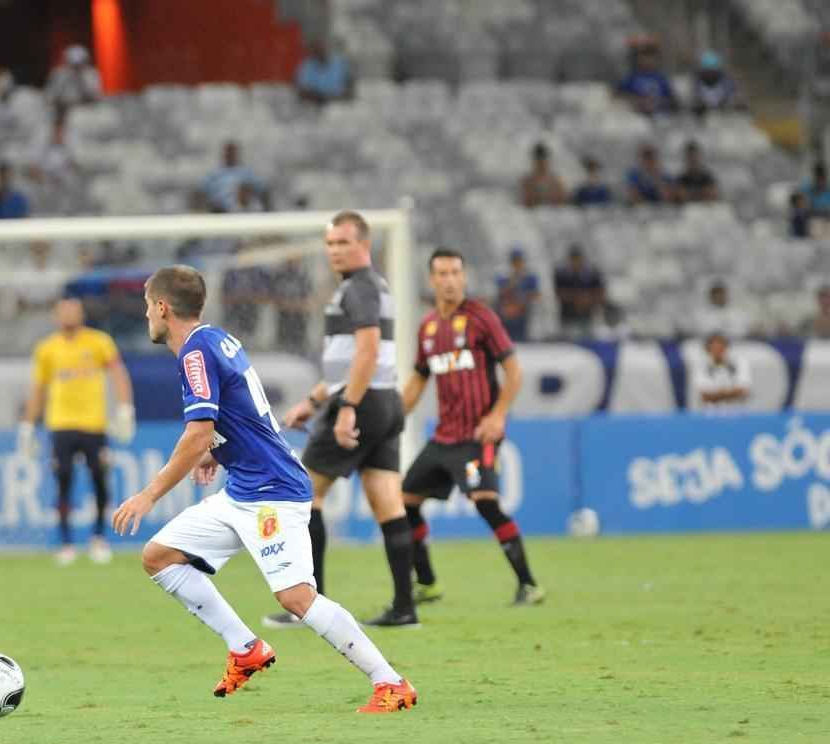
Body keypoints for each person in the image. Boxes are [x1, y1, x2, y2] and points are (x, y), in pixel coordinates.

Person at [112, 265, 416, 713]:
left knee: (296, 597)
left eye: (146, 308)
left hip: (271, 492)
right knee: (159, 556)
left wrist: (149, 494)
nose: (146, 318)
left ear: (162, 307)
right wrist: (220, 451)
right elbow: (244, 412)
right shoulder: (216, 340)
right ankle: (244, 647)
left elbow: (198, 431)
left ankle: (390, 682)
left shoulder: (196, 353)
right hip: (243, 489)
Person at [265, 211, 417, 629]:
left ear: (363, 245)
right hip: (385, 400)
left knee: (303, 495)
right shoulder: (370, 287)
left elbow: (365, 351)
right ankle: (405, 607)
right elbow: (349, 360)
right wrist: (314, 401)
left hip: (363, 402)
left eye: (343, 243)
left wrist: (347, 406)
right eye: (330, 243)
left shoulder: (358, 289)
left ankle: (310, 605)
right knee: (387, 501)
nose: (335, 251)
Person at [401, 249, 545, 605]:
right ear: (431, 280)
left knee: (485, 502)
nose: (449, 280)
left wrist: (497, 416)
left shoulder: (482, 318)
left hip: (477, 435)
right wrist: (393, 416)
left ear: (463, 277)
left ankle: (529, 584)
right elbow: (419, 379)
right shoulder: (428, 328)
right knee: (406, 501)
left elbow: (514, 370)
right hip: (443, 436)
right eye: (442, 273)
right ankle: (429, 584)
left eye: (455, 272)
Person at [20, 298, 136, 565]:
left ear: (81, 314)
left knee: (99, 480)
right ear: (55, 316)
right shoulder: (47, 349)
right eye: (64, 311)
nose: (69, 315)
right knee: (63, 480)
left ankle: (98, 537)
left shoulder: (99, 342)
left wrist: (124, 408)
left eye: (73, 311)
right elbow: (38, 389)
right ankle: (65, 542)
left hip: (94, 424)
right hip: (60, 424)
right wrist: (27, 425)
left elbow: (119, 374)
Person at [554, 244, 605, 339]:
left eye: (578, 259)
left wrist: (588, 299)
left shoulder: (592, 273)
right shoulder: (562, 274)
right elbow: (559, 293)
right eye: (573, 259)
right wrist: (575, 298)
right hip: (568, 315)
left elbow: (599, 292)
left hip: (586, 314)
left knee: (587, 339)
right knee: (568, 342)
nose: (576, 262)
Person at [204, 141, 270, 214]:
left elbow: (262, 190)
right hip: (219, 211)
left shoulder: (246, 173)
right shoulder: (215, 174)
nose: (230, 154)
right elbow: (202, 191)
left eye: (232, 152)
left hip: (243, 209)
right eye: (228, 152)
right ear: (223, 154)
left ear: (236, 153)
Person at [692, 332, 751, 411]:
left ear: (726, 347)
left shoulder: (739, 363)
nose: (718, 350)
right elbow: (705, 395)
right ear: (708, 349)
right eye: (714, 348)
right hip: (710, 414)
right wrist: (732, 393)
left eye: (721, 347)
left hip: (737, 413)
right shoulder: (701, 365)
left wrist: (716, 394)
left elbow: (744, 390)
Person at [616, 41, 676, 116]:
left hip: (660, 115)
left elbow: (671, 98)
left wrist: (659, 102)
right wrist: (636, 100)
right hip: (636, 116)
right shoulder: (632, 77)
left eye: (651, 57)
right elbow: (619, 95)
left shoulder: (660, 78)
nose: (647, 60)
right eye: (644, 56)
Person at [44, 44, 102, 122]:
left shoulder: (91, 74)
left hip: (85, 112)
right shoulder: (58, 74)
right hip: (64, 112)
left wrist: (80, 80)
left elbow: (95, 96)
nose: (76, 68)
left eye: (79, 64)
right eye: (73, 64)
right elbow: (50, 96)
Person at [494, 248, 540, 342]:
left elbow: (536, 295)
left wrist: (523, 298)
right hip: (506, 314)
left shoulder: (529, 277)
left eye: (519, 261)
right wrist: (513, 281)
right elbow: (500, 293)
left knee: (522, 340)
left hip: (522, 314)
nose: (517, 264)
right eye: (515, 261)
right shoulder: (504, 276)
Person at [294, 40, 353, 106]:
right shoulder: (307, 65)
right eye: (317, 50)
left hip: (339, 103)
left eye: (323, 49)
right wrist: (317, 97)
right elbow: (302, 91)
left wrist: (344, 96)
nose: (321, 52)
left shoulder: (339, 63)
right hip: (315, 104)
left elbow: (349, 85)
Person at [690, 51, 743, 117]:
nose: (710, 74)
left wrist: (730, 100)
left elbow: (732, 92)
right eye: (707, 71)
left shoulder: (726, 80)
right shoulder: (697, 81)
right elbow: (695, 94)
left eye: (712, 71)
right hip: (704, 105)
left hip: (723, 104)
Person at [520, 142, 567, 207]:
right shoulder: (528, 182)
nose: (541, 164)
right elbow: (528, 202)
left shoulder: (555, 181)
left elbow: (561, 201)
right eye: (538, 161)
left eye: (543, 161)